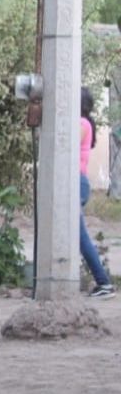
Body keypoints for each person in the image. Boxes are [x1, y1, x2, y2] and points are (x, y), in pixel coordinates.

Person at [79, 87, 114, 299]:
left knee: (80, 236)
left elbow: (65, 141)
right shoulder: (83, 123)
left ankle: (104, 283)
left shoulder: (82, 124)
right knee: (75, 235)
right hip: (74, 183)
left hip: (76, 183)